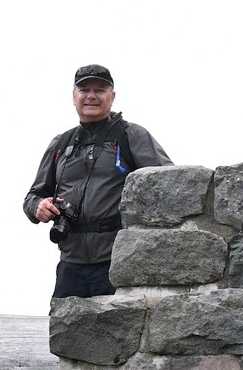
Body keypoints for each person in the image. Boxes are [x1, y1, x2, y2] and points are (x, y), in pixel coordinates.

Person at [23, 63, 172, 299]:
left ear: (112, 97)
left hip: (117, 262)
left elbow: (169, 182)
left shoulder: (130, 136)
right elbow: (32, 197)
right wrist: (39, 207)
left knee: (119, 334)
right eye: (84, 90)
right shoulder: (61, 144)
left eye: (100, 90)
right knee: (68, 335)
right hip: (70, 264)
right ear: (74, 97)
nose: (91, 96)